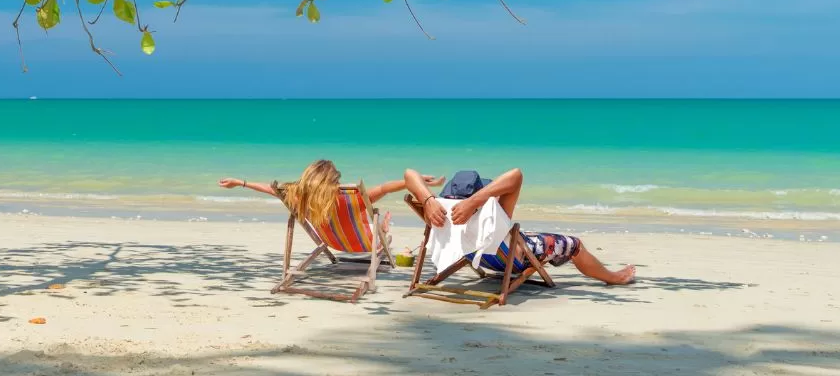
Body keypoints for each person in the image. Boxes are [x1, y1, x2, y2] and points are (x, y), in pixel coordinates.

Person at [402, 166, 636, 285]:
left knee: (523, 234)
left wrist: (428, 199)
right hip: (511, 258)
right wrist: (476, 201)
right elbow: (516, 175)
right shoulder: (490, 211)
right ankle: (613, 277)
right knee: (574, 244)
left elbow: (408, 174)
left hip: (472, 251)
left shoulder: (439, 209)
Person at [217, 159, 439, 225]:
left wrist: (240, 182)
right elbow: (384, 188)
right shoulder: (353, 198)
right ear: (334, 180)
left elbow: (270, 188)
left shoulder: (297, 196)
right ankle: (383, 228)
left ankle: (382, 227)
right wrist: (414, 182)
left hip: (331, 242)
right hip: (360, 243)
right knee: (377, 223)